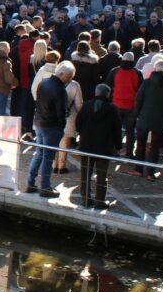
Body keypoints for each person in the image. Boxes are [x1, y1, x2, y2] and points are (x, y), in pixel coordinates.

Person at [25, 62, 72, 197]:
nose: (69, 80)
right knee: (48, 157)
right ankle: (45, 187)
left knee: (39, 153)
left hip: (39, 122)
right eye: (69, 77)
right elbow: (61, 112)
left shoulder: (44, 82)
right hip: (51, 126)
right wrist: (61, 128)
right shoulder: (59, 89)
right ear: (63, 75)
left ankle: (30, 183)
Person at [130, 57, 163, 179]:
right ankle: (151, 173)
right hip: (160, 119)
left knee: (140, 143)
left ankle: (138, 169)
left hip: (144, 116)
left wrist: (136, 115)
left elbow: (138, 99)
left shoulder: (147, 82)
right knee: (155, 146)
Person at [76, 83, 122, 209]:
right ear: (108, 94)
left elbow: (78, 123)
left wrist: (83, 134)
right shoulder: (112, 109)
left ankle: (85, 199)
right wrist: (118, 146)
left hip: (86, 146)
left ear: (96, 93)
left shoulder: (86, 106)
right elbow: (117, 130)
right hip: (104, 147)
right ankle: (99, 201)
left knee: (85, 174)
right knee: (102, 175)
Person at [107, 52, 141, 150]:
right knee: (130, 131)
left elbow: (108, 86)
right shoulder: (137, 72)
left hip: (116, 104)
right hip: (131, 105)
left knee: (115, 129)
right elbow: (140, 90)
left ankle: (113, 150)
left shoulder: (114, 71)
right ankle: (129, 153)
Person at [54, 61, 82, 174]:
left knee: (54, 141)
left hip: (54, 116)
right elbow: (79, 104)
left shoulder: (53, 83)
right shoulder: (75, 85)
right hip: (69, 117)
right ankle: (61, 166)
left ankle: (54, 165)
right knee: (64, 142)